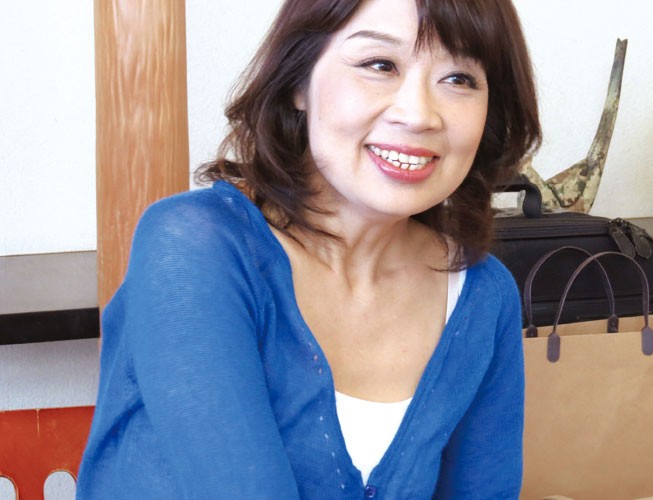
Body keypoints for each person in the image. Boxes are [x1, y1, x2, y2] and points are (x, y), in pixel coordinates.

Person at [76, 0, 541, 498]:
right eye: (379, 65)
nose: (419, 114)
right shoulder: (194, 247)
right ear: (298, 82)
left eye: (459, 79)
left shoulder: (482, 295)